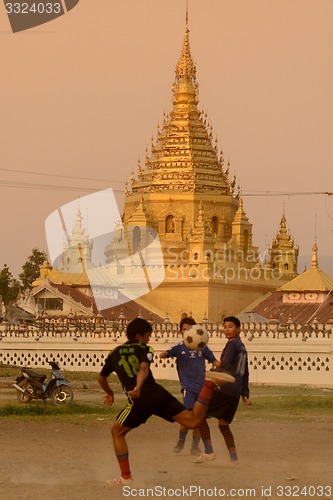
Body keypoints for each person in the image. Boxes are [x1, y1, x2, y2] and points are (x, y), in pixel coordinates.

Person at [98, 317, 231, 485]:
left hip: (140, 400)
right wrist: (140, 385)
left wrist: (112, 393)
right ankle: (209, 385)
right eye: (148, 335)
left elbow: (102, 378)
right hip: (157, 394)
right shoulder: (145, 349)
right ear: (139, 335)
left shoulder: (114, 353)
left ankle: (126, 477)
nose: (149, 339)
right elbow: (144, 367)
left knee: (116, 432)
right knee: (193, 421)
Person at [194, 316, 252, 464]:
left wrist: (212, 373)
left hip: (225, 388)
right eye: (225, 327)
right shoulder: (243, 347)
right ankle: (234, 459)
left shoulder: (232, 345)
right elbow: (244, 372)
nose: (227, 329)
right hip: (235, 392)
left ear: (239, 329)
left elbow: (225, 365)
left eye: (230, 326)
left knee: (199, 416)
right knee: (223, 424)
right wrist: (245, 394)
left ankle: (209, 452)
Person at [159, 317, 220, 456]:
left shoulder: (202, 346)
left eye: (189, 329)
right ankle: (181, 442)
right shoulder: (179, 346)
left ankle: (194, 446)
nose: (187, 332)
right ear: (181, 332)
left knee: (199, 418)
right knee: (188, 415)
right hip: (188, 387)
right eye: (184, 330)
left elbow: (214, 361)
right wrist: (162, 354)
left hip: (203, 387)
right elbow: (167, 353)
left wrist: (224, 367)